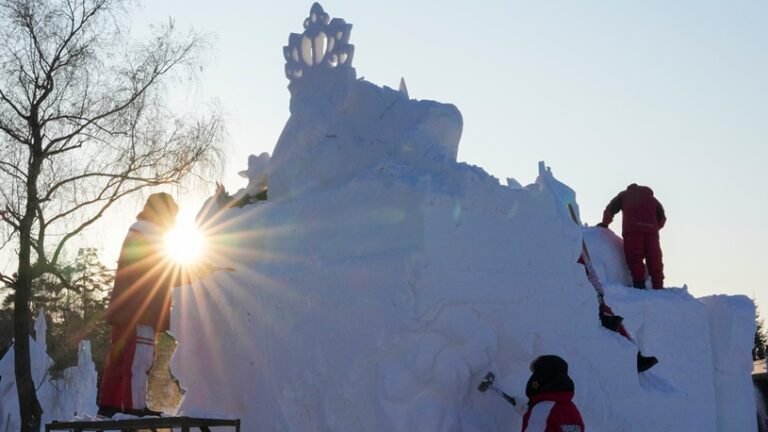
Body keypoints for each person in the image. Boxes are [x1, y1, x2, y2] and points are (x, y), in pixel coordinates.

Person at [98, 193, 211, 417]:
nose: (174, 222)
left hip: (127, 310)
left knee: (119, 362)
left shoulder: (138, 233)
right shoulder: (149, 236)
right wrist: (205, 271)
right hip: (141, 311)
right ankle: (134, 408)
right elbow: (167, 272)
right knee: (139, 362)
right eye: (172, 216)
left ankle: (109, 407)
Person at [598, 184, 666, 289]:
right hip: (651, 232)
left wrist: (605, 223)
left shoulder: (625, 195)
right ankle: (658, 285)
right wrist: (652, 229)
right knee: (654, 257)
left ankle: (639, 285)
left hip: (633, 231)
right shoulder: (653, 200)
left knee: (635, 256)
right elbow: (662, 219)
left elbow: (611, 209)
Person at [521, 355, 584, 432]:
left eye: (536, 373)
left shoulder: (542, 412)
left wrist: (534, 414)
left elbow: (544, 417)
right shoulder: (572, 411)